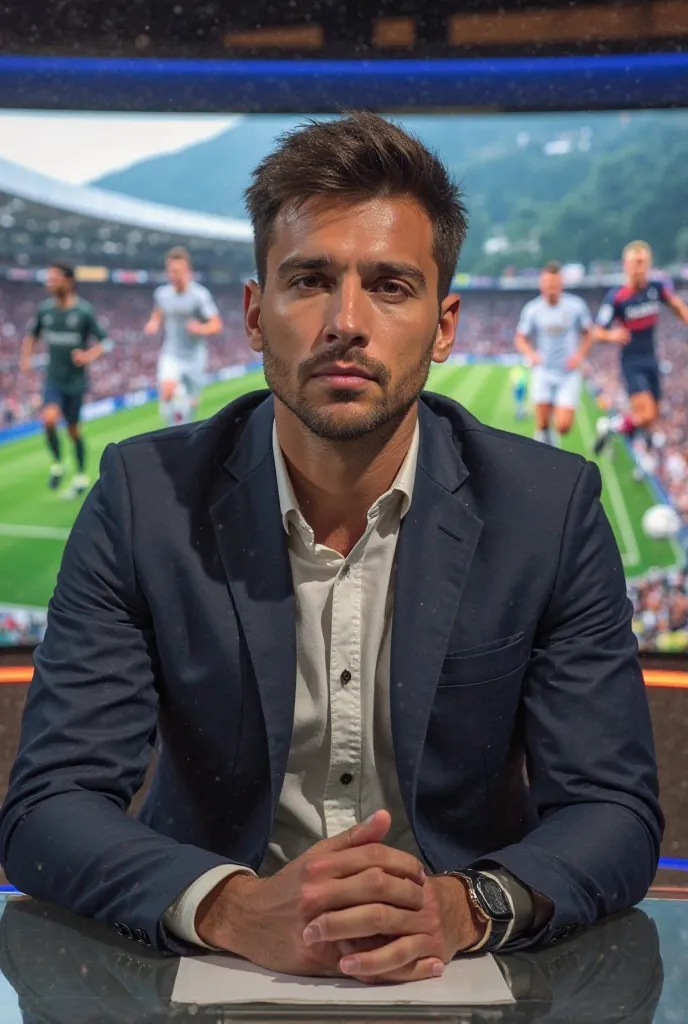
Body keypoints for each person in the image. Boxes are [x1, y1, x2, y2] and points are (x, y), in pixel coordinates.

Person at [1, 113, 662, 987]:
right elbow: (49, 805)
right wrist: (230, 905)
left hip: (455, 968)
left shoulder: (549, 509)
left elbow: (613, 809)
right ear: (252, 312)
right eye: (309, 279)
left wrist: (464, 907)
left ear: (444, 325)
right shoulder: (142, 499)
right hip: (202, 962)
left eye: (390, 285)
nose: (345, 322)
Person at [19, 262, 113, 498]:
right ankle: (58, 463)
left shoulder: (83, 312)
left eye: (54, 278)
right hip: (54, 379)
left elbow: (106, 343)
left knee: (73, 430)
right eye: (48, 278)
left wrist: (87, 355)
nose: (49, 282)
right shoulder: (45, 310)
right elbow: (32, 335)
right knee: (49, 420)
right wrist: (26, 359)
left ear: (68, 281)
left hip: (75, 382)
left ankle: (81, 474)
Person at [593, 240, 688, 460]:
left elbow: (677, 306)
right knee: (645, 415)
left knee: (652, 417)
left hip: (652, 359)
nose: (640, 267)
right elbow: (597, 331)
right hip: (632, 362)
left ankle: (615, 428)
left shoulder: (656, 288)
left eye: (644, 262)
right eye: (635, 262)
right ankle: (613, 426)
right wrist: (612, 335)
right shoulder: (616, 298)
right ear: (626, 265)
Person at [514, 262, 593, 447]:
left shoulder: (575, 306)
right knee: (542, 423)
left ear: (561, 284)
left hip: (568, 373)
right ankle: (547, 458)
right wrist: (531, 354)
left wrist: (579, 355)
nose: (551, 288)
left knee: (563, 426)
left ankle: (550, 442)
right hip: (543, 370)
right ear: (542, 284)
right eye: (548, 284)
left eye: (554, 284)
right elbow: (520, 338)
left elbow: (589, 333)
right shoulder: (532, 309)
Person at [143, 247, 223, 426]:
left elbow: (216, 325)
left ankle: (185, 426)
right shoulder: (162, 294)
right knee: (167, 391)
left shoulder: (199, 295)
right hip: (171, 353)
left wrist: (200, 329)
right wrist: (153, 322)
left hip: (195, 356)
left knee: (191, 404)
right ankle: (173, 431)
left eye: (177, 270)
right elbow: (159, 311)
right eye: (170, 270)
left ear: (187, 271)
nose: (173, 274)